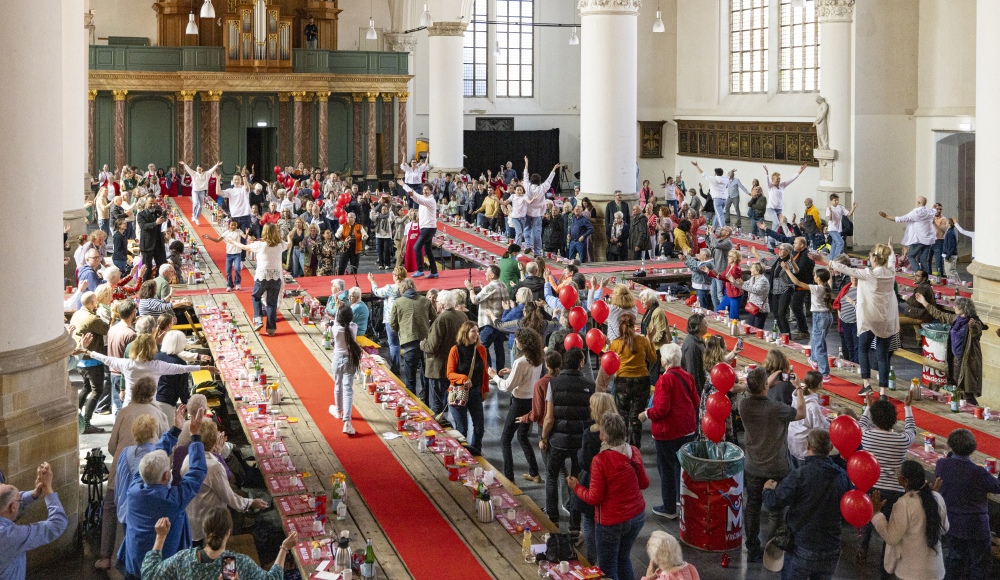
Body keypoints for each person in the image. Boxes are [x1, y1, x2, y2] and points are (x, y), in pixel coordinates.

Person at [122, 405, 207, 579]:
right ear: (167, 476)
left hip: (135, 565)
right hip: (163, 571)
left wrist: (176, 430)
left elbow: (154, 456)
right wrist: (195, 435)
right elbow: (197, 471)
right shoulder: (172, 502)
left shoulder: (134, 489)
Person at [568, 411, 649, 580]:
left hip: (611, 521)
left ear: (604, 436)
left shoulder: (601, 460)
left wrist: (576, 487)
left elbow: (594, 498)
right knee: (623, 559)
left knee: (607, 568)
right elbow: (644, 484)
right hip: (637, 517)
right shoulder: (633, 451)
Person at [762, 430, 851, 580]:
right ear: (830, 448)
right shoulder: (842, 476)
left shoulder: (799, 475)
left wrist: (767, 490)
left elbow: (773, 502)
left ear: (807, 445)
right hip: (831, 548)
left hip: (802, 547)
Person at [739, 367, 807, 563]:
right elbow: (801, 413)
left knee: (752, 507)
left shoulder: (744, 405)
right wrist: (799, 388)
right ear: (765, 386)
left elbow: (755, 388)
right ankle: (772, 550)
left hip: (753, 465)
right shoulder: (776, 409)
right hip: (776, 467)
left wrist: (767, 381)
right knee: (775, 510)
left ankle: (752, 549)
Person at [815, 243, 899, 395]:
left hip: (871, 319)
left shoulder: (869, 274)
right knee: (883, 355)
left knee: (863, 348)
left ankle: (866, 385)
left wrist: (822, 259)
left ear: (874, 258)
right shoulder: (891, 273)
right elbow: (892, 261)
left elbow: (845, 269)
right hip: (887, 320)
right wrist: (891, 250)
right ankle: (883, 392)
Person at [142, 507, 294, 580]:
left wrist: (160, 537)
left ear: (205, 531)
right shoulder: (232, 564)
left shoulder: (183, 559)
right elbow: (273, 578)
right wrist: (284, 548)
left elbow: (149, 574)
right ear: (229, 531)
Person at [858, 390, 917, 573]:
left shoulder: (866, 436)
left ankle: (862, 548)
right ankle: (886, 564)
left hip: (870, 486)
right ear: (894, 419)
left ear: (874, 419)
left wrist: (867, 407)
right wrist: (908, 407)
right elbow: (911, 431)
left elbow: (860, 425)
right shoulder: (901, 440)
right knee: (890, 527)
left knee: (868, 518)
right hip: (894, 489)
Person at [639, 343, 699, 519]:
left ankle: (669, 507)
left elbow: (661, 410)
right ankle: (682, 500)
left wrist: (646, 414)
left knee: (665, 469)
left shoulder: (665, 380)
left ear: (664, 361)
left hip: (668, 432)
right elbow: (695, 401)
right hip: (687, 430)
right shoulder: (688, 376)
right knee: (681, 467)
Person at [181, 421, 268, 543]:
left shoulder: (188, 458)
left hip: (190, 521)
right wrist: (252, 502)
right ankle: (232, 542)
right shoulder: (214, 467)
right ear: (215, 441)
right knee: (235, 506)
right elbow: (230, 498)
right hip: (208, 524)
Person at [79, 332, 216, 408]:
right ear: (153, 349)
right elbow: (182, 368)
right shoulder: (156, 365)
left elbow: (105, 358)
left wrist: (86, 350)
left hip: (129, 406)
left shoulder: (127, 364)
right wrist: (207, 367)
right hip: (150, 407)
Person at [934, 428, 1000, 580]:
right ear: (973, 448)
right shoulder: (978, 472)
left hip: (952, 523)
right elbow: (997, 487)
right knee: (980, 565)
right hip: (976, 526)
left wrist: (950, 453)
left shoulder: (942, 464)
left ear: (949, 446)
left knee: (954, 559)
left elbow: (948, 459)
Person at [871, 460, 948, 580]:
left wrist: (876, 514)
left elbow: (891, 537)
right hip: (935, 571)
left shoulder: (904, 504)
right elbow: (944, 529)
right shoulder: (937, 498)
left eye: (899, 474)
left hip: (911, 573)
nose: (898, 476)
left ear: (905, 481)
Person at [491, 328, 544, 483]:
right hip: (532, 400)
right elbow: (528, 377)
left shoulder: (520, 361)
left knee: (505, 439)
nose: (515, 341)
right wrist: (512, 371)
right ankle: (534, 473)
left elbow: (507, 386)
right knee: (522, 436)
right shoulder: (537, 357)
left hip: (519, 402)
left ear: (523, 343)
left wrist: (494, 376)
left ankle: (509, 479)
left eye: (517, 339)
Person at [915, 294, 986, 405]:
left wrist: (972, 327)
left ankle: (976, 411)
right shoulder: (956, 319)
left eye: (957, 306)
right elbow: (938, 314)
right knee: (957, 389)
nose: (954, 307)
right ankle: (963, 411)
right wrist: (924, 302)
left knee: (966, 392)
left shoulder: (974, 322)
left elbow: (977, 332)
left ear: (964, 308)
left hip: (966, 362)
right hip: (954, 360)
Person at [0, 462, 67, 580]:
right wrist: (48, 490)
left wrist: (34, 494)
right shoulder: (10, 536)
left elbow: (5, 500)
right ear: (13, 507)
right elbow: (57, 524)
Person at [607, 313, 656, 449]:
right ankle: (635, 449)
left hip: (622, 382)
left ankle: (622, 447)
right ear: (634, 326)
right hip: (642, 382)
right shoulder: (643, 340)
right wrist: (650, 339)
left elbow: (610, 363)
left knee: (622, 415)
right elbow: (653, 359)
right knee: (636, 416)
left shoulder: (616, 343)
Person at [228, 224, 287, 336]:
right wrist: (289, 238)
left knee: (256, 297)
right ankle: (271, 329)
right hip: (276, 276)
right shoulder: (280, 244)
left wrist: (232, 242)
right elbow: (288, 245)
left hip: (262, 275)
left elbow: (244, 247)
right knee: (272, 303)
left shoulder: (260, 245)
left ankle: (258, 320)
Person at [783, 264, 834, 380]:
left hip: (820, 317)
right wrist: (829, 270)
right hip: (827, 316)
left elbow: (797, 282)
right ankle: (814, 359)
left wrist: (787, 270)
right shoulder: (827, 287)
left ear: (819, 279)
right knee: (816, 339)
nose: (814, 276)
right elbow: (830, 279)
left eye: (815, 275)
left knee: (820, 344)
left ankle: (824, 374)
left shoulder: (817, 288)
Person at [447, 321, 491, 456]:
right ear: (465, 333)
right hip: (458, 393)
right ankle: (460, 453)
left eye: (477, 331)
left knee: (479, 428)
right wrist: (464, 379)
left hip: (476, 392)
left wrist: (485, 390)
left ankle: (476, 452)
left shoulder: (481, 350)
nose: (476, 334)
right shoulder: (455, 350)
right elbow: (449, 374)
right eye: (473, 331)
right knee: (462, 429)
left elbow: (484, 373)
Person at [421, 291, 468, 414]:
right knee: (453, 402)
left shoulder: (441, 320)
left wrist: (422, 344)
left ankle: (438, 430)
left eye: (436, 302)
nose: (435, 304)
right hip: (457, 365)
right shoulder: (462, 316)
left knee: (436, 404)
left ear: (441, 304)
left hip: (439, 367)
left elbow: (432, 347)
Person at [71, 291, 111, 434]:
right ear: (93, 303)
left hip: (81, 360)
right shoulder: (92, 319)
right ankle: (86, 422)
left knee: (87, 388)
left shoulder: (77, 314)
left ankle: (76, 415)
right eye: (96, 302)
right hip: (91, 361)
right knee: (97, 390)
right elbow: (108, 330)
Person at [390, 278, 437, 398]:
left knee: (410, 380)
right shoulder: (425, 300)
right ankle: (427, 405)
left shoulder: (398, 302)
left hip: (409, 344)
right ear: (414, 287)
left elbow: (393, 325)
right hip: (426, 344)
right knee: (427, 377)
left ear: (402, 289)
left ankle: (413, 409)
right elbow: (435, 319)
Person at [465, 265, 508, 371]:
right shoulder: (503, 285)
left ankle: (488, 370)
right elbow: (492, 296)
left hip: (490, 324)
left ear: (492, 275)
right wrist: (483, 288)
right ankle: (500, 372)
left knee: (481, 346)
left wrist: (470, 289)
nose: (485, 274)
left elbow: (474, 300)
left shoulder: (490, 287)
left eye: (487, 272)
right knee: (499, 349)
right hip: (501, 323)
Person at [879, 196, 936, 276]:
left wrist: (886, 216)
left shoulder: (916, 213)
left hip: (918, 239)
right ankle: (925, 276)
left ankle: (918, 272)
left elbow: (900, 219)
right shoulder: (930, 212)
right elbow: (934, 210)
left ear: (918, 203)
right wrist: (933, 208)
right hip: (929, 240)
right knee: (924, 259)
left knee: (911, 256)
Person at [397, 180, 440, 279]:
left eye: (427, 190)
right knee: (428, 250)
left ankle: (420, 270)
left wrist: (412, 194)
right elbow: (416, 195)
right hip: (426, 227)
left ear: (431, 191)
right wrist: (404, 185)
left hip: (429, 228)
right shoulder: (424, 197)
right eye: (424, 190)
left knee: (416, 247)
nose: (424, 192)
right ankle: (434, 272)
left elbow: (419, 200)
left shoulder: (430, 200)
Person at [786, 371, 831, 465]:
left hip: (791, 440)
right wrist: (830, 425)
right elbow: (819, 429)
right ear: (819, 385)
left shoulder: (798, 394)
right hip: (803, 447)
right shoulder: (813, 406)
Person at [370, 267, 406, 375]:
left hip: (392, 319)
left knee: (394, 343)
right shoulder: (407, 288)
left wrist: (372, 281)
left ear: (396, 276)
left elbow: (377, 292)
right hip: (405, 319)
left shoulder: (391, 288)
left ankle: (396, 368)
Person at [152, 330, 194, 414]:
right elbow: (182, 389)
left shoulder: (155, 356)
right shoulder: (180, 363)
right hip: (166, 403)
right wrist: (186, 407)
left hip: (151, 400)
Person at [201, 220, 246, 291]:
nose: (234, 226)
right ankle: (230, 285)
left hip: (237, 253)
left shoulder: (239, 231)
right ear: (229, 225)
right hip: (229, 254)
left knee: (237, 268)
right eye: (232, 225)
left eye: (235, 225)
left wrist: (247, 234)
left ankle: (237, 283)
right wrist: (209, 237)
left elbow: (245, 237)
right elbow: (217, 240)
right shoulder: (226, 233)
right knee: (228, 271)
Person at [702, 248, 744, 319]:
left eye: (729, 256)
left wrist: (717, 274)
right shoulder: (730, 267)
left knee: (734, 316)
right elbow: (722, 275)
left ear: (734, 258)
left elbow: (727, 278)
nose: (727, 257)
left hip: (735, 295)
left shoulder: (736, 268)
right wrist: (709, 272)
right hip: (729, 294)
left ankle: (735, 329)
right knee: (719, 310)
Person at [763, 163, 807, 227]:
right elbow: (767, 181)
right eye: (776, 179)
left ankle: (773, 237)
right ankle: (771, 237)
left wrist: (800, 171)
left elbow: (791, 179)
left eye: (779, 179)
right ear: (772, 180)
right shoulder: (770, 187)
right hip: (771, 208)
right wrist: (767, 173)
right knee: (776, 223)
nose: (778, 180)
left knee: (776, 225)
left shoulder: (782, 185)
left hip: (779, 208)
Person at [690, 161, 730, 229]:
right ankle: (713, 228)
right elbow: (729, 176)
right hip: (724, 199)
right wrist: (732, 171)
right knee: (718, 215)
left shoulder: (713, 179)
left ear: (715, 173)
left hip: (717, 199)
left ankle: (724, 230)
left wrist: (697, 166)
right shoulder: (725, 179)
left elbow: (702, 173)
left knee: (720, 216)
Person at [704, 225, 734, 309]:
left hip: (721, 271)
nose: (720, 230)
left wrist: (711, 234)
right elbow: (709, 243)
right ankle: (716, 312)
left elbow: (715, 244)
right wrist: (707, 233)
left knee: (720, 294)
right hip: (714, 270)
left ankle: (723, 312)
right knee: (713, 294)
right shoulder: (720, 241)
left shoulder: (727, 242)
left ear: (727, 233)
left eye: (723, 229)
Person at [736, 261, 770, 330]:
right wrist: (733, 282)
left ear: (757, 271)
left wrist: (742, 285)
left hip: (760, 309)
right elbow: (744, 285)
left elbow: (755, 290)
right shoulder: (753, 278)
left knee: (757, 329)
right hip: (752, 307)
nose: (750, 269)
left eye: (752, 268)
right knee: (751, 328)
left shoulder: (763, 280)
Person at [680, 313, 707, 395]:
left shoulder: (698, 339)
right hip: (694, 391)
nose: (707, 325)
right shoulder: (692, 346)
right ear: (700, 327)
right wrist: (698, 395)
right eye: (705, 324)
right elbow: (692, 373)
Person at [825, 194, 857, 259]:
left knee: (834, 245)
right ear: (830, 201)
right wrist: (831, 212)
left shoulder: (840, 207)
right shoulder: (829, 209)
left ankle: (830, 259)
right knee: (840, 242)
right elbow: (830, 219)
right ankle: (836, 258)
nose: (837, 202)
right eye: (835, 200)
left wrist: (853, 208)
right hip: (832, 229)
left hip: (838, 229)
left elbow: (849, 213)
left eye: (837, 200)